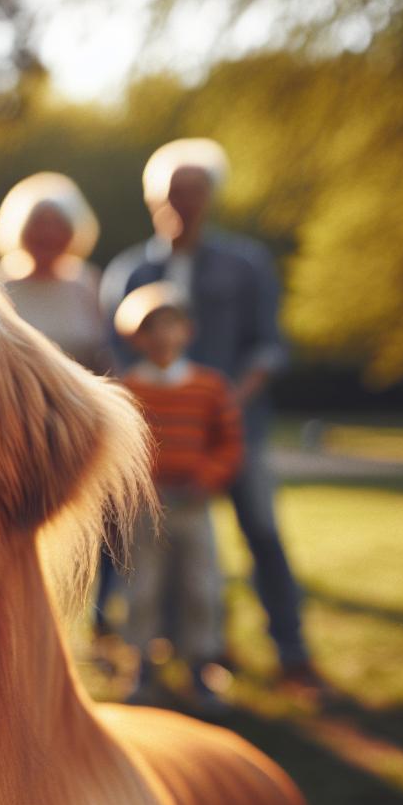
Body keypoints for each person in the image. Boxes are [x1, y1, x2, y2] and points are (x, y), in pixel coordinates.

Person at [102, 138, 326, 692]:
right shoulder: (131, 271)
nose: (185, 202)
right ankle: (151, 650)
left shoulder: (245, 264)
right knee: (143, 549)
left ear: (211, 196)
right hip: (156, 444)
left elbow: (270, 346)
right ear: (156, 197)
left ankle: (291, 652)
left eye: (196, 191)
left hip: (235, 430)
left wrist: (225, 399)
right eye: (174, 192)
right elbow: (116, 357)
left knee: (262, 533)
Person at [112, 282, 243, 713]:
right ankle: (141, 665)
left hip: (194, 505)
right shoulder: (128, 388)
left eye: (172, 326)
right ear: (137, 336)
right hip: (148, 509)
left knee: (201, 585)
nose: (163, 337)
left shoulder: (209, 387)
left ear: (187, 331)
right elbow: (122, 449)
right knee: (142, 586)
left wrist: (208, 477)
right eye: (152, 328)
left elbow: (228, 443)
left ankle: (201, 664)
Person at [0, 171, 114, 374]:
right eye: (38, 223)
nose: (48, 234)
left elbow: (107, 354)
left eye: (58, 224)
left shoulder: (88, 283)